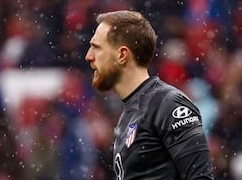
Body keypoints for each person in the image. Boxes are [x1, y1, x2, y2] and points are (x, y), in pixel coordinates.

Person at [85, 10, 214, 179]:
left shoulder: (168, 103)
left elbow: (201, 177)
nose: (89, 56)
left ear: (122, 55)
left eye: (96, 47)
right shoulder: (128, 117)